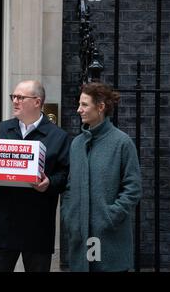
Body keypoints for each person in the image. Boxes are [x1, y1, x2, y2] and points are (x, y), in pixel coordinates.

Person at [0, 80, 71, 272]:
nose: (15, 101)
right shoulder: (1, 129)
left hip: (37, 225)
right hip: (3, 224)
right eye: (13, 96)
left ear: (37, 102)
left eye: (21, 97)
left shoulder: (58, 136)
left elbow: (65, 175)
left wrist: (50, 183)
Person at [61, 82, 142, 272]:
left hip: (109, 237)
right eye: (79, 104)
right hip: (81, 237)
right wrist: (69, 216)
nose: (78, 109)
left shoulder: (122, 142)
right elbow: (70, 186)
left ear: (101, 107)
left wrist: (109, 217)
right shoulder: (77, 144)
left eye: (84, 104)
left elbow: (133, 188)